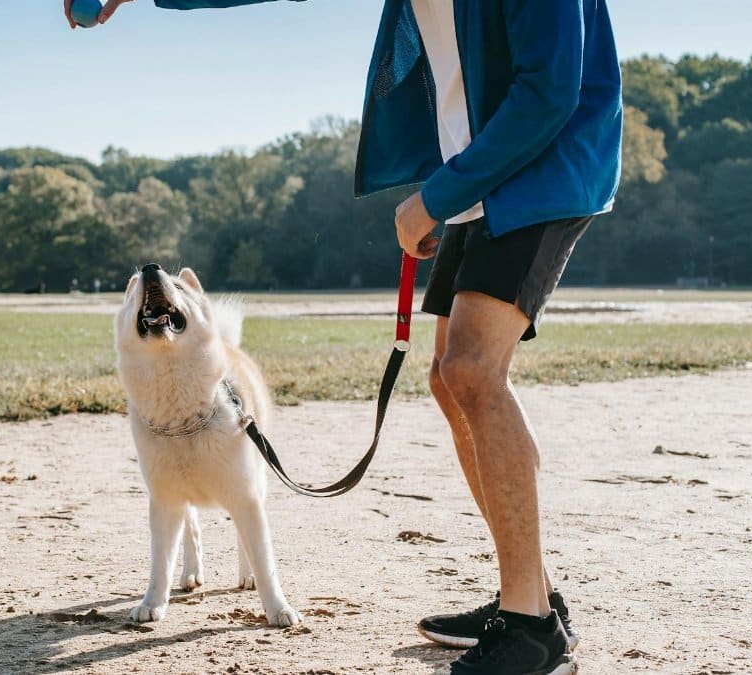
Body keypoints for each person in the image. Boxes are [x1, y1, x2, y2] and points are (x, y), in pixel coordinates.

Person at [69, 2, 623, 673]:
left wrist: (440, 193)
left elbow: (550, 92)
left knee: (475, 371)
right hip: (483, 168)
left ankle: (531, 627)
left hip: (547, 161)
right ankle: (528, 590)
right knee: (450, 380)